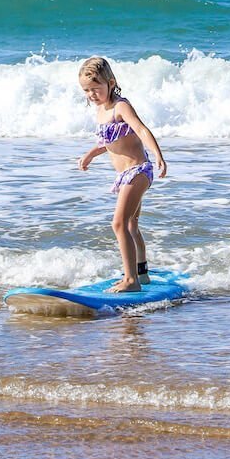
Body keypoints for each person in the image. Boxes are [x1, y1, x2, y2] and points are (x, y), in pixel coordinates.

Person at [77, 56, 168, 292]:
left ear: (111, 82)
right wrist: (89, 155)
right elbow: (109, 142)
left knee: (118, 223)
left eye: (96, 89)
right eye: (86, 91)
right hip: (124, 175)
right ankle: (141, 273)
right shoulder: (100, 110)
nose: (91, 95)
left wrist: (158, 154)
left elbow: (140, 129)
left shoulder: (121, 106)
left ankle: (131, 281)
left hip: (138, 171)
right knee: (130, 225)